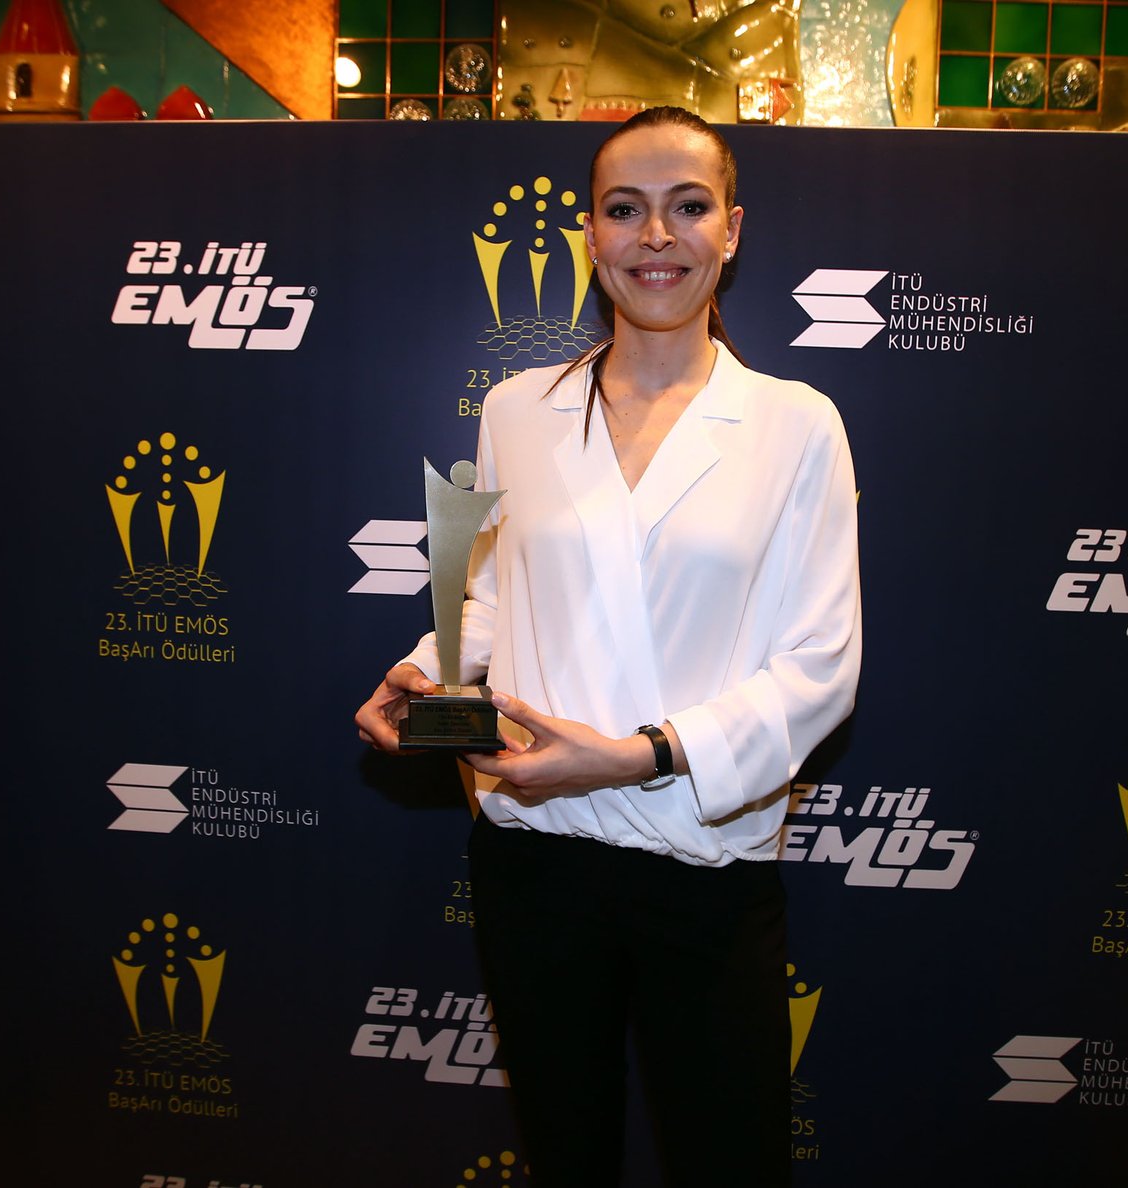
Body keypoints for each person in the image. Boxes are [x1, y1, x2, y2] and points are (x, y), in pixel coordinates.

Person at [355, 106, 861, 1187]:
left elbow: (820, 667)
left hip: (705, 859)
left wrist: (636, 754)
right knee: (564, 1153)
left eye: (688, 207)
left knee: (731, 1162)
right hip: (536, 854)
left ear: (732, 230)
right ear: (590, 235)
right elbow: (494, 597)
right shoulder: (517, 410)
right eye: (625, 209)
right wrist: (424, 672)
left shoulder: (797, 423)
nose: (656, 236)